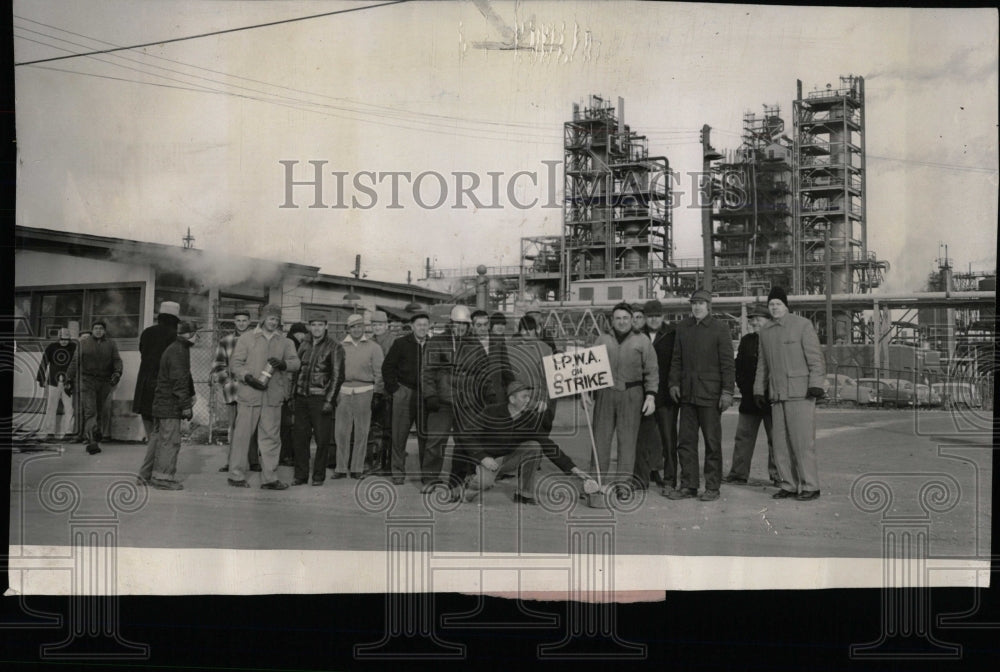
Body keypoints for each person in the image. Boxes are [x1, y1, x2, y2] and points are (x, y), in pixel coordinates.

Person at [458, 380, 600, 504]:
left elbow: (547, 444)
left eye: (529, 397)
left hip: (507, 459)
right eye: (524, 397)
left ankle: (524, 494)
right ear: (512, 399)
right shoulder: (492, 411)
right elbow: (466, 435)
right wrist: (483, 457)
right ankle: (469, 483)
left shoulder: (528, 419)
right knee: (483, 484)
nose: (528, 400)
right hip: (486, 460)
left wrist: (573, 469)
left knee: (535, 446)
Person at [754, 287, 826, 501]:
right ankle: (789, 484)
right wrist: (759, 390)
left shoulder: (802, 325)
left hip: (800, 393)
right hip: (777, 396)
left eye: (778, 304)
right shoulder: (765, 331)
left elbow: (815, 358)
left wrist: (816, 384)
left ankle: (811, 485)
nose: (774, 307)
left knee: (802, 442)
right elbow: (762, 365)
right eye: (771, 304)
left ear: (786, 306)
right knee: (781, 444)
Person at [667, 289, 735, 502]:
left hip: (710, 396)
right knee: (685, 442)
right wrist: (673, 383)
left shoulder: (720, 329)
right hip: (687, 395)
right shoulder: (683, 328)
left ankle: (712, 487)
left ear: (709, 306)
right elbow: (676, 359)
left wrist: (727, 392)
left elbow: (727, 364)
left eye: (701, 303)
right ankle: (689, 485)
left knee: (712, 443)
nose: (697, 307)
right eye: (694, 303)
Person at [227, 303, 300, 489]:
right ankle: (235, 476)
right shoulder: (246, 338)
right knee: (242, 437)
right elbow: (235, 364)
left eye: (276, 319)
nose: (273, 322)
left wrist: (283, 364)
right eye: (270, 318)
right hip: (249, 395)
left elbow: (296, 363)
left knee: (271, 439)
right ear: (262, 319)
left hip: (273, 397)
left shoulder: (285, 342)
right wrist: (247, 377)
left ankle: (270, 479)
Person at [588, 302, 658, 489]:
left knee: (627, 442)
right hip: (605, 393)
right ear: (613, 320)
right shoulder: (602, 339)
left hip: (631, 394)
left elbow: (651, 371)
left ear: (631, 319)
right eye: (618, 318)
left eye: (625, 318)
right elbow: (589, 369)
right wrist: (587, 392)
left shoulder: (642, 340)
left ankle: (623, 485)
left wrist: (650, 395)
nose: (622, 322)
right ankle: (595, 484)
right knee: (600, 440)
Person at [421, 305, 490, 491]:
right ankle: (429, 480)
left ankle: (458, 479)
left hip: (466, 402)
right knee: (435, 441)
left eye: (464, 324)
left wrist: (481, 394)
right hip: (442, 400)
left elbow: (484, 371)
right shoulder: (437, 341)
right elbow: (427, 372)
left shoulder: (474, 344)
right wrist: (430, 395)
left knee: (465, 442)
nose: (461, 327)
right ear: (451, 323)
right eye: (458, 323)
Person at [723, 304, 780, 486]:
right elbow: (738, 366)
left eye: (758, 318)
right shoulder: (747, 340)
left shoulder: (776, 338)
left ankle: (778, 475)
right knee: (743, 437)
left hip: (772, 399)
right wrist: (745, 388)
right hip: (749, 399)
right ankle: (738, 474)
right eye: (752, 319)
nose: (754, 322)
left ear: (769, 320)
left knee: (776, 439)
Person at [139, 321, 199, 490]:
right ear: (188, 334)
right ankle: (163, 478)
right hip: (169, 406)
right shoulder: (179, 351)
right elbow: (179, 381)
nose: (198, 337)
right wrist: (186, 406)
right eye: (196, 333)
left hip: (160, 403)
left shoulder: (175, 348)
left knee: (157, 439)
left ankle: (145, 475)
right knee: (170, 441)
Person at [291, 312, 343, 486]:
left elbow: (337, 376)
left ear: (326, 326)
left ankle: (318, 476)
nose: (317, 328)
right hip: (301, 398)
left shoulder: (334, 346)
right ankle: (301, 475)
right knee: (300, 438)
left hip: (320, 399)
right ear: (309, 326)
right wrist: (293, 395)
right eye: (313, 325)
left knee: (322, 440)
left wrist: (330, 400)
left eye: (320, 325)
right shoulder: (304, 344)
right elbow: (297, 371)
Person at [634, 299, 679, 491]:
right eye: (650, 316)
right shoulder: (637, 335)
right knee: (643, 439)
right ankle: (641, 478)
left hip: (666, 396)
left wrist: (674, 386)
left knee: (668, 439)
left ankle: (670, 479)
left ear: (663, 316)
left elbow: (678, 362)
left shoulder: (672, 334)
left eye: (657, 316)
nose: (653, 320)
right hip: (644, 395)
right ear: (645, 318)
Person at [382, 312, 430, 485]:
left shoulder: (433, 345)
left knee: (425, 435)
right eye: (419, 324)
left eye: (425, 324)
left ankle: (427, 475)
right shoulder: (401, 343)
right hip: (404, 391)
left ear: (429, 326)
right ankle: (398, 472)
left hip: (426, 394)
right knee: (399, 434)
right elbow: (387, 367)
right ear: (412, 326)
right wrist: (394, 389)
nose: (422, 328)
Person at [334, 313, 384, 479]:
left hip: (365, 391)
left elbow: (379, 372)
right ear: (348, 329)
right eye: (353, 327)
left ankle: (357, 468)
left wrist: (377, 392)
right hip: (344, 391)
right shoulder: (340, 346)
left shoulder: (373, 347)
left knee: (362, 432)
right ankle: (340, 468)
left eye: (360, 326)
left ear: (364, 328)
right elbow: (335, 371)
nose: (357, 330)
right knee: (341, 432)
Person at [212, 308, 261, 473]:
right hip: (234, 391)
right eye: (238, 320)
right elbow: (218, 365)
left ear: (249, 322)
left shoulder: (256, 339)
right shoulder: (226, 341)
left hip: (252, 390)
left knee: (252, 425)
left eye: (244, 320)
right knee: (234, 427)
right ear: (234, 322)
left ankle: (254, 461)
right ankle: (231, 462)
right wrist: (227, 381)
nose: (241, 323)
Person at [65, 320, 122, 455]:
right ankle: (92, 442)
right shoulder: (83, 343)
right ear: (92, 330)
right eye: (96, 328)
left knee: (100, 411)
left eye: (101, 329)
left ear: (104, 331)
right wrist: (68, 378)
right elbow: (75, 361)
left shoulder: (111, 344)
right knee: (90, 411)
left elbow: (117, 360)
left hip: (104, 382)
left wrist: (118, 372)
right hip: (87, 380)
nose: (98, 331)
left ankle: (94, 434)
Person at [133, 301, 181, 447]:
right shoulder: (174, 336)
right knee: (162, 427)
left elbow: (142, 352)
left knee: (148, 420)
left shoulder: (147, 332)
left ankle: (151, 449)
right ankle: (158, 456)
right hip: (163, 384)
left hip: (145, 382)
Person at [368, 311, 397, 474]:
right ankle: (376, 461)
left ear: (386, 325)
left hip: (387, 391)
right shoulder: (370, 341)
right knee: (375, 427)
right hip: (373, 389)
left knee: (388, 428)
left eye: (380, 324)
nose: (377, 327)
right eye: (374, 325)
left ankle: (386, 464)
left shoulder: (393, 341)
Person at [36, 327, 77, 441]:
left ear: (69, 339)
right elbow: (44, 361)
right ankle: (50, 432)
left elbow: (78, 363)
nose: (64, 341)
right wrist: (41, 377)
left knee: (69, 407)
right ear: (58, 338)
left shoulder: (74, 347)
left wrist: (75, 380)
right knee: (51, 407)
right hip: (53, 381)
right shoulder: (52, 347)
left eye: (66, 339)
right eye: (62, 339)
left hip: (68, 382)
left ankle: (68, 432)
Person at [280, 322, 310, 467]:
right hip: (289, 390)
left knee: (286, 426)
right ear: (297, 333)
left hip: (287, 390)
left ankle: (286, 454)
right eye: (302, 333)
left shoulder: (288, 342)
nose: (304, 336)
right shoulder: (293, 344)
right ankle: (287, 455)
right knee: (288, 426)